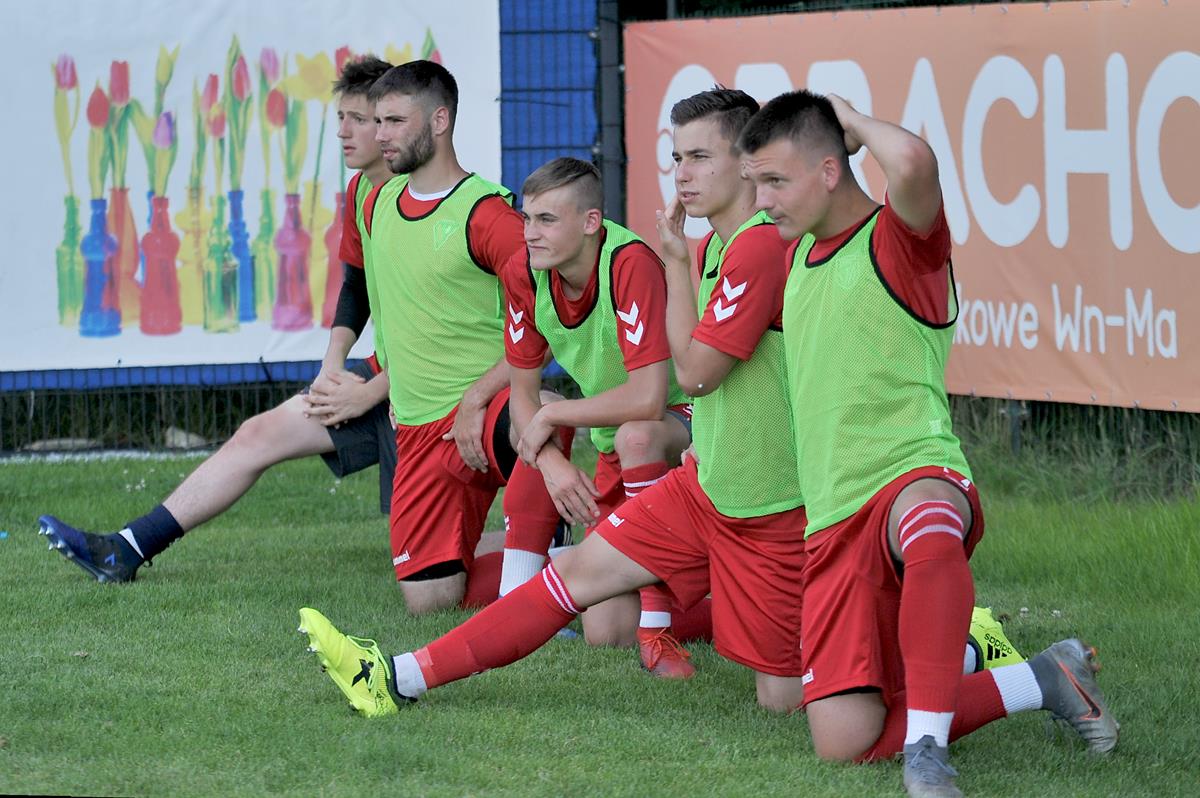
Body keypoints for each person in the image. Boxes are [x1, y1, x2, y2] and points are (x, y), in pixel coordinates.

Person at [293, 92, 806, 714]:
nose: (682, 174)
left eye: (700, 157)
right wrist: (679, 261)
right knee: (590, 605)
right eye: (677, 158)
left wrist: (554, 413)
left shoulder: (747, 247)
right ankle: (395, 676)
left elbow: (686, 381)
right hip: (707, 483)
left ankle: (903, 637)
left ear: (747, 163)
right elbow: (540, 391)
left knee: (796, 708)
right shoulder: (711, 248)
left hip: (767, 504)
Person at [737, 90, 1118, 797]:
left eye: (775, 181)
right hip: (832, 520)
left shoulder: (897, 242)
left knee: (929, 522)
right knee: (844, 743)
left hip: (912, 472)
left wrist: (852, 121)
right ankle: (1040, 678)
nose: (762, 201)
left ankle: (927, 752)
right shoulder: (797, 258)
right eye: (755, 183)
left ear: (830, 170)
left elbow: (912, 162)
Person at [37, 56, 399, 583]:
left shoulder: (424, 201)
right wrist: (332, 366)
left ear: (392, 124)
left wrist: (371, 393)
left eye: (358, 119)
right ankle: (124, 550)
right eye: (340, 117)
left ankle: (526, 553)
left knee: (431, 577)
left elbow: (447, 336)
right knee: (259, 433)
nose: (342, 131)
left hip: (425, 389)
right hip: (388, 378)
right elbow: (357, 285)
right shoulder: (362, 191)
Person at [358, 61, 564, 614]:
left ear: (440, 120)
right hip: (419, 434)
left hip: (485, 408)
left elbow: (546, 322)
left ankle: (528, 589)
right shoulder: (376, 203)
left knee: (544, 412)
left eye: (395, 121)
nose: (380, 135)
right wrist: (393, 383)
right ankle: (567, 567)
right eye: (377, 121)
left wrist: (477, 396)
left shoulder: (488, 215)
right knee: (431, 602)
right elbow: (387, 304)